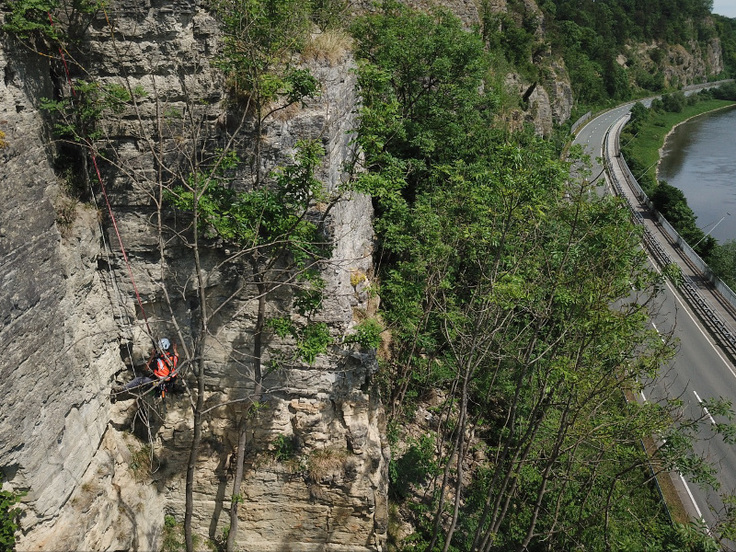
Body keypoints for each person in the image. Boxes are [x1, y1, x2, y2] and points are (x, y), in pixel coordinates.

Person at [112, 338, 179, 400]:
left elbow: (146, 368)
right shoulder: (174, 357)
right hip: (170, 383)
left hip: (160, 383)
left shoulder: (158, 361)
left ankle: (122, 389)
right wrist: (175, 349)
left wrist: (152, 356)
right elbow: (176, 355)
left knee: (139, 380)